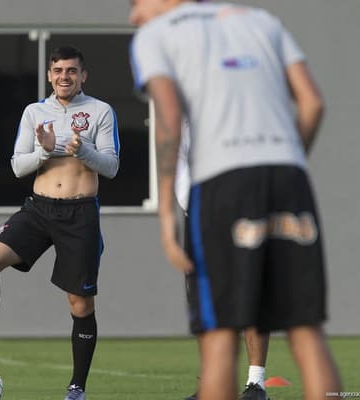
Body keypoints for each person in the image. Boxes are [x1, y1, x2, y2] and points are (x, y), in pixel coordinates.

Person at [129, 1, 342, 400]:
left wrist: (164, 218)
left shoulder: (154, 36)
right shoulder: (262, 21)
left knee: (219, 337)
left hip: (220, 182)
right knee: (306, 332)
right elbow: (313, 103)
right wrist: (289, 162)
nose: (132, 16)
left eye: (135, 4)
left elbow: (169, 122)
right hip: (288, 175)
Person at [0, 45, 120, 400]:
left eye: (71, 71)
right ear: (49, 75)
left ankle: (76, 388)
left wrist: (80, 150)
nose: (64, 77)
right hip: (39, 209)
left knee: (80, 305)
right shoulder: (35, 112)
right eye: (57, 70)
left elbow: (112, 167)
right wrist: (44, 149)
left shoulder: (100, 111)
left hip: (80, 214)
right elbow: (17, 166)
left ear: (83, 75)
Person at [177, 124, 272, 400]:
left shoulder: (249, 115)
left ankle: (256, 384)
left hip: (245, 217)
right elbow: (179, 163)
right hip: (199, 219)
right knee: (206, 302)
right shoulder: (187, 118)